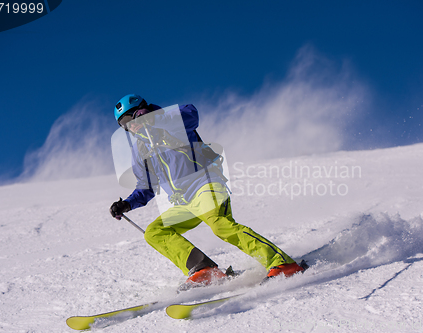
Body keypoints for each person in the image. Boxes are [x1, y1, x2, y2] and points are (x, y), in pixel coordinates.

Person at [109, 94, 304, 289]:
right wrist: (126, 204)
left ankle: (283, 263)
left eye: (130, 119)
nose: (130, 126)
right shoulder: (140, 149)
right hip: (184, 201)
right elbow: (146, 185)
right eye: (124, 124)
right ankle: (203, 270)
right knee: (155, 232)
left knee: (220, 225)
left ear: (142, 111)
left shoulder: (171, 122)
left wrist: (156, 119)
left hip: (206, 186)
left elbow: (192, 114)